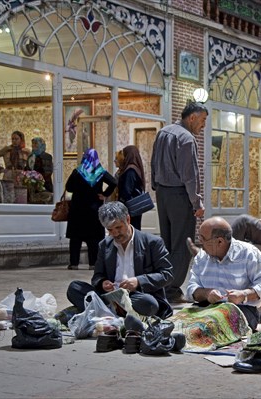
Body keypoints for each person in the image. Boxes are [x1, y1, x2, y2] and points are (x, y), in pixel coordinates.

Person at [67, 202, 174, 319]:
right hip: (110, 297)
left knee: (149, 304)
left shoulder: (152, 242)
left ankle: (104, 311)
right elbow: (97, 276)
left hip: (137, 296)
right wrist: (103, 283)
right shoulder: (104, 245)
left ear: (128, 219)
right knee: (74, 288)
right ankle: (114, 311)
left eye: (118, 227)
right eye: (110, 230)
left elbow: (166, 275)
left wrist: (138, 281)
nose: (115, 234)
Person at [151, 102, 207, 303]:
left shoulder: (163, 132)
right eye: (202, 120)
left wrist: (156, 187)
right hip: (179, 195)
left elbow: (153, 163)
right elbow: (189, 176)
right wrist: (196, 203)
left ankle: (162, 286)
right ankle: (172, 290)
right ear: (192, 117)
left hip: (163, 194)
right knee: (183, 245)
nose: (203, 126)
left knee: (166, 242)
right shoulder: (186, 138)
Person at [185, 217, 261, 331]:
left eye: (203, 239)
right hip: (208, 307)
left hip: (241, 309)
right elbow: (191, 289)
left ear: (220, 241)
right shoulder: (201, 257)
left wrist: (243, 295)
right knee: (182, 325)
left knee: (213, 327)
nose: (200, 244)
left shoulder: (249, 254)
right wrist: (207, 294)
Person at [66, 149, 117, 270]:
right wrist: (104, 194)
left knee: (76, 238)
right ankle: (93, 263)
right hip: (93, 210)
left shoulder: (78, 172)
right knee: (93, 238)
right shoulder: (100, 172)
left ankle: (74, 263)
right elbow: (114, 182)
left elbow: (69, 187)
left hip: (77, 209)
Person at [118, 145, 147, 230]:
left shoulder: (130, 170)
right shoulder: (135, 168)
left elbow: (127, 191)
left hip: (130, 207)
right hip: (135, 206)